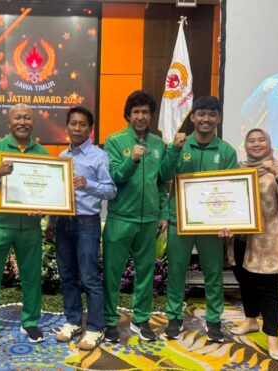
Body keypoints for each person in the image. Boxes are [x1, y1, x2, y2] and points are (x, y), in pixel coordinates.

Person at [102, 90, 185, 343]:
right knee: (112, 272)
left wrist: (162, 214)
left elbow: (163, 182)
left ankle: (141, 319)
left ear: (150, 116)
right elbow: (115, 175)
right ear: (128, 114)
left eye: (145, 112)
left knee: (145, 272)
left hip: (149, 221)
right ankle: (109, 321)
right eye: (136, 111)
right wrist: (133, 160)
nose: (140, 116)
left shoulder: (159, 144)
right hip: (120, 218)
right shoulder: (115, 141)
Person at [0, 103, 49, 350]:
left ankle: (30, 321)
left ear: (33, 122)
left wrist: (44, 206)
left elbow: (49, 192)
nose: (23, 121)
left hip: (30, 226)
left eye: (27, 117)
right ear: (9, 122)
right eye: (18, 117)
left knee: (32, 277)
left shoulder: (43, 153)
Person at [163, 96, 238, 343]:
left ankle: (214, 320)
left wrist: (229, 222)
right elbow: (162, 175)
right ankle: (174, 317)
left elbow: (231, 189)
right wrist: (173, 149)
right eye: (201, 114)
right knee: (175, 272)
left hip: (211, 224)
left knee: (213, 273)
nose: (206, 119)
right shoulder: (179, 145)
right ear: (193, 117)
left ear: (218, 118)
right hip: (180, 220)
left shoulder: (226, 151)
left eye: (212, 114)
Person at [226, 128, 278, 361]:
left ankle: (272, 337)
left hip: (267, 239)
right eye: (251, 140)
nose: (256, 144)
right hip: (239, 238)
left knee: (267, 290)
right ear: (245, 145)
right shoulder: (238, 170)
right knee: (245, 283)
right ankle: (251, 320)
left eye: (262, 140)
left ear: (269, 144)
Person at [45, 107, 117, 350]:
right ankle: (73, 320)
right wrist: (51, 222)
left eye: (82, 124)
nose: (77, 128)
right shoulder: (62, 156)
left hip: (87, 222)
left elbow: (111, 190)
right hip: (63, 223)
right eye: (73, 123)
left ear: (90, 129)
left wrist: (88, 184)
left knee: (89, 277)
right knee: (66, 275)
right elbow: (57, 193)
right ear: (67, 126)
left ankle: (96, 327)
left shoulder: (99, 156)